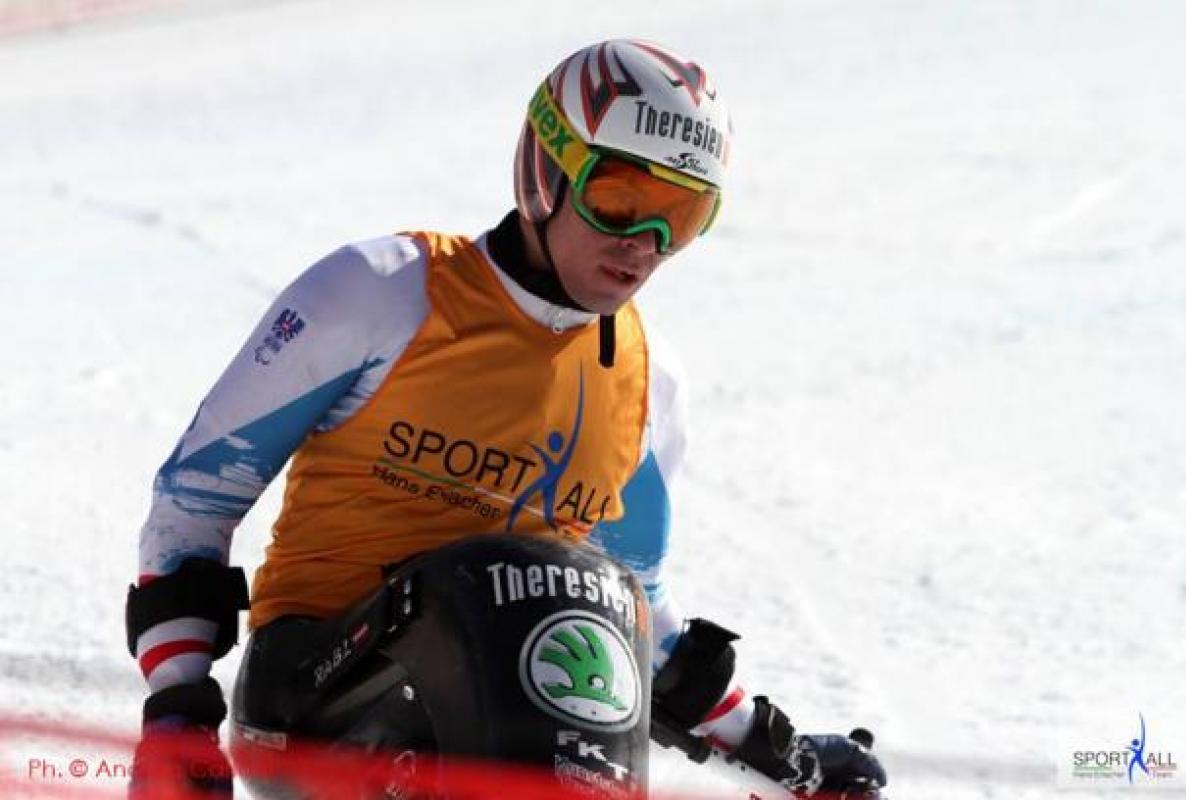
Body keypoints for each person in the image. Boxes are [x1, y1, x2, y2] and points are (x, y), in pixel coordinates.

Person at [125, 38, 887, 798]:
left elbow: (638, 620)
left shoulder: (651, 386)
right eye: (621, 199)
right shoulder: (380, 294)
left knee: (581, 599)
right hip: (323, 701)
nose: (644, 246)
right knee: (511, 589)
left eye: (680, 217)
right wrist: (179, 717)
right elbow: (194, 502)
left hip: (521, 725)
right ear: (547, 171)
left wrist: (772, 745)